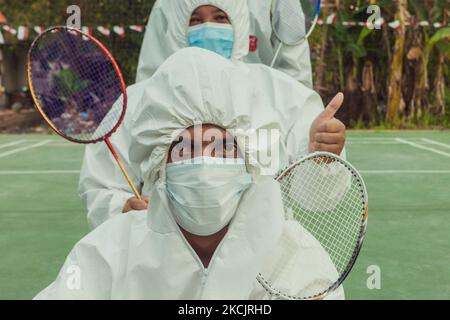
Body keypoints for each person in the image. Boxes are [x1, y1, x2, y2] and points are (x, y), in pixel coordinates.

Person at [35, 48, 344, 299]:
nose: (204, 164)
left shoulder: (293, 255)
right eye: (184, 148)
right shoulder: (109, 252)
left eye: (222, 147)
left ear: (250, 161)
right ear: (160, 166)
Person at [79, 0, 346, 229]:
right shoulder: (138, 101)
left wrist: (323, 156)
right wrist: (122, 208)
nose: (208, 28)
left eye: (220, 17)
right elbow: (102, 185)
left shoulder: (282, 95)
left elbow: (315, 197)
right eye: (195, 19)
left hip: (261, 263)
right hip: (163, 260)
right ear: (176, 27)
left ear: (239, 23)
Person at [136, 0, 313, 87]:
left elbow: (296, 71)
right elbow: (151, 75)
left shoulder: (281, 2)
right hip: (184, 118)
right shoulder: (168, 4)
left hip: (260, 123)